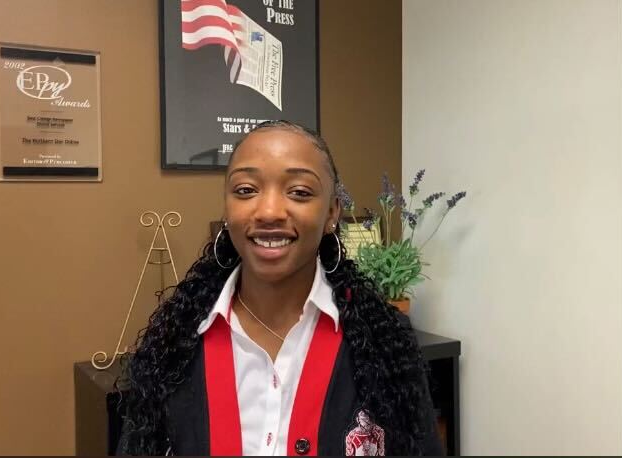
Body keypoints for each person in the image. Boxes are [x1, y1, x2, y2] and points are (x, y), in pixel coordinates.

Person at [117, 120, 443, 456]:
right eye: (245, 190)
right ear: (227, 209)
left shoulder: (385, 343)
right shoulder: (174, 344)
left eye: (299, 192)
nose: (269, 211)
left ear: (332, 213)